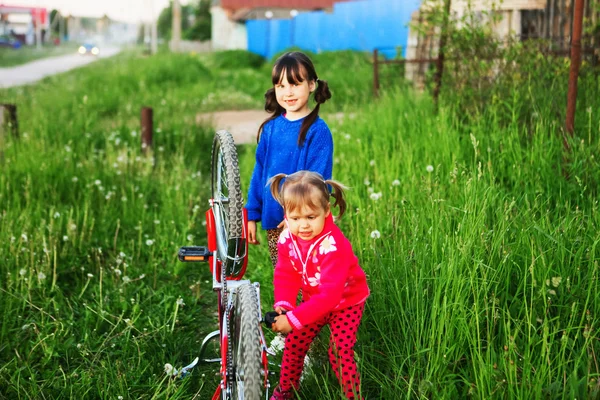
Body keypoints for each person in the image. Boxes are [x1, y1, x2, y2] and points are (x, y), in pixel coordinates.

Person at [267, 171, 370, 400]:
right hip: (314, 300)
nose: (303, 225)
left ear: (326, 211)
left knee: (339, 350)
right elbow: (286, 273)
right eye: (295, 218)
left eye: (311, 217)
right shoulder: (287, 238)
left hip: (346, 302)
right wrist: (285, 304)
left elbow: (330, 296)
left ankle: (352, 396)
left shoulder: (333, 246)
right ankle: (286, 391)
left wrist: (293, 319)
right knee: (294, 343)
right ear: (286, 215)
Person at [246, 51, 333, 267]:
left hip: (305, 222)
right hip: (275, 222)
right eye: (281, 86)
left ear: (312, 84)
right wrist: (251, 214)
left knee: (310, 278)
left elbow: (318, 181)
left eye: (295, 84)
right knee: (285, 278)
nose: (288, 92)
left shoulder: (318, 131)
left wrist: (298, 217)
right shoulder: (271, 129)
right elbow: (260, 173)